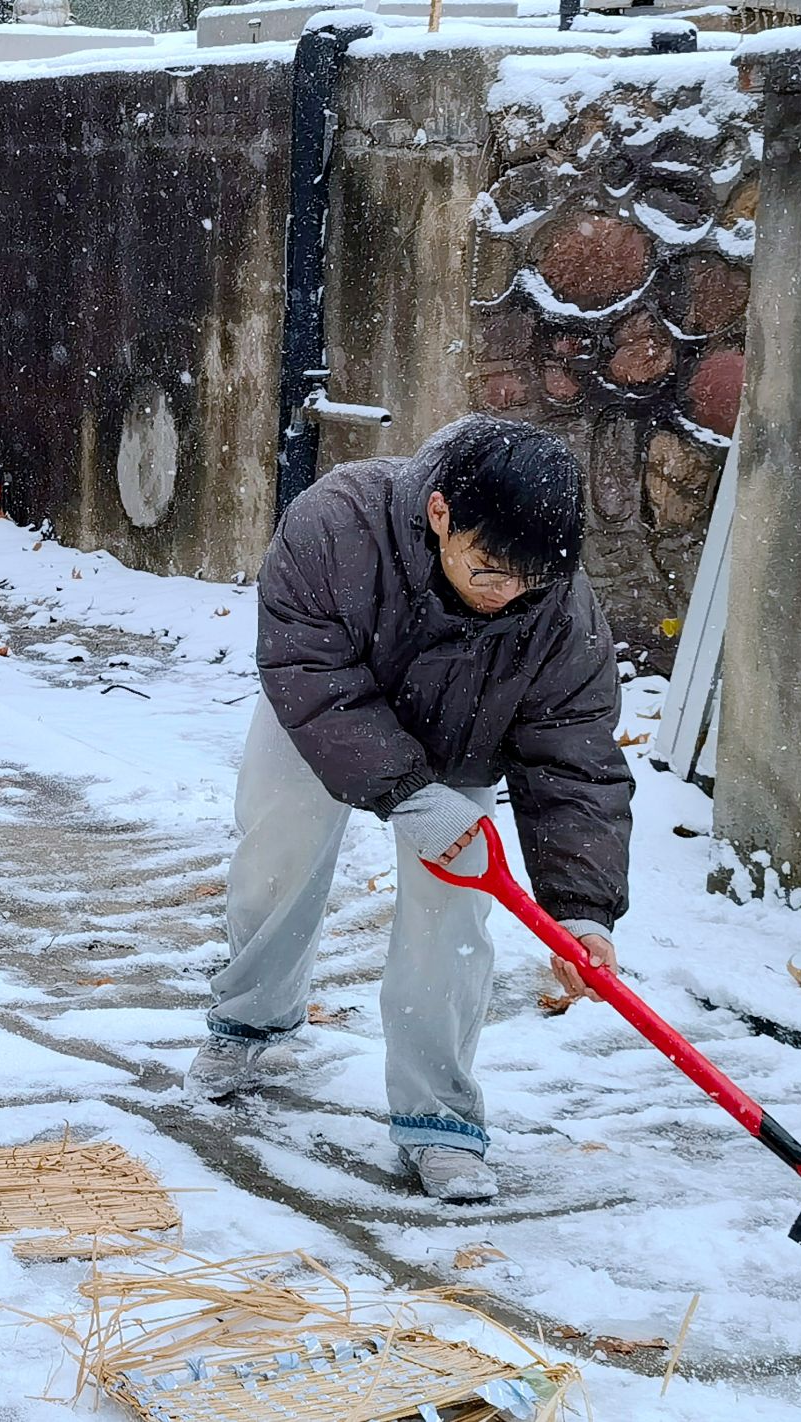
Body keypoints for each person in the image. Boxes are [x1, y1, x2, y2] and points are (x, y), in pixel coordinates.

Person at [188, 415, 633, 1203]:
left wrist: (583, 911)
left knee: (451, 921)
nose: (505, 595)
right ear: (439, 513)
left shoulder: (559, 607)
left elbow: (575, 760)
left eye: (527, 582)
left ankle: (440, 1119)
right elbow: (307, 668)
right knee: (279, 849)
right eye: (488, 570)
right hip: (324, 718)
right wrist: (404, 794)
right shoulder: (338, 523)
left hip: (463, 736)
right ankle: (250, 1021)